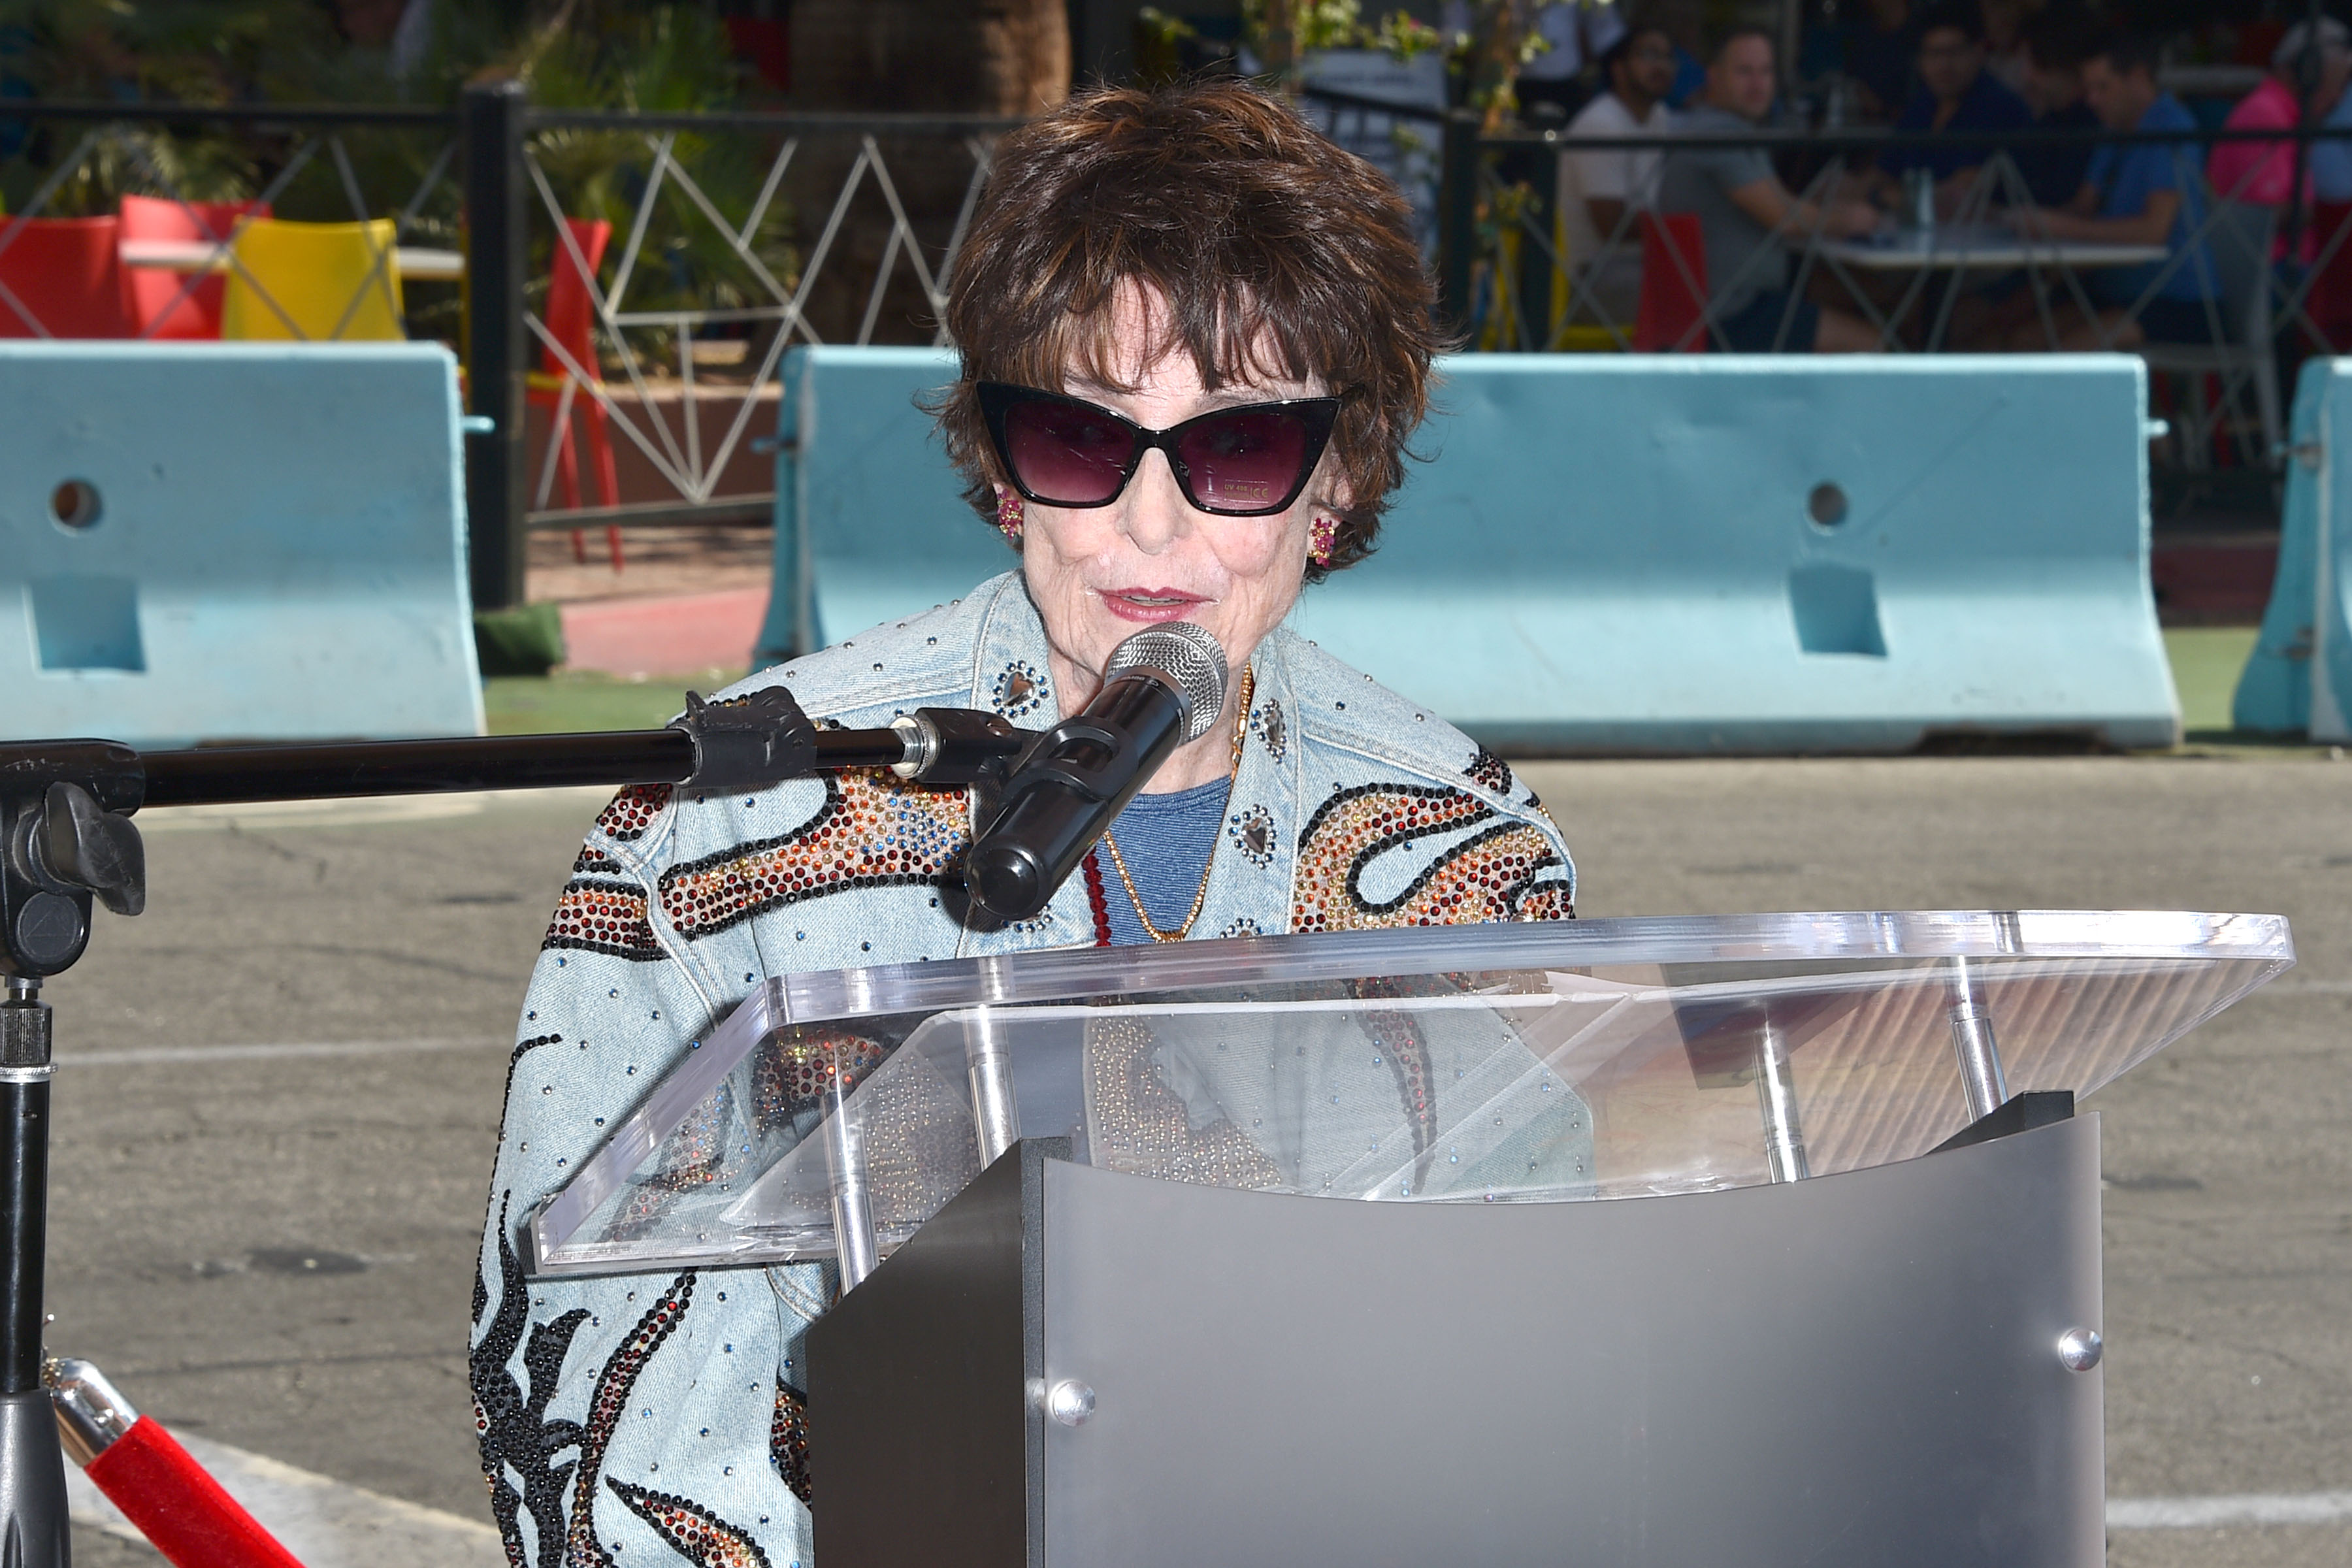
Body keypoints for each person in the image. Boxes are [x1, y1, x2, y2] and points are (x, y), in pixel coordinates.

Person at [470, 80, 1578, 1568]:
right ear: (1001, 469)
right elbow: (603, 1377)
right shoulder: (727, 825)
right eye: (1079, 437)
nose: (1150, 524)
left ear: (1337, 480)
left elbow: (1546, 1349)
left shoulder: (1464, 851)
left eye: (1236, 450)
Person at [1656, 28, 1882, 351]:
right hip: (1729, 314)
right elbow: (1786, 220)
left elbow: (1781, 206)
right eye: (1744, 72)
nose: (1758, 84)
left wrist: (1826, 207)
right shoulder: (1717, 135)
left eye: (1766, 71)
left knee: (1875, 298)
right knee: (1874, 344)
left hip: (1737, 302)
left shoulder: (1732, 130)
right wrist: (1849, 220)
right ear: (1714, 77)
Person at [1997, 31, 2220, 348]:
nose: (2092, 100)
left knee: (2066, 357)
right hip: (2113, 289)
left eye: (2103, 87)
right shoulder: (2114, 129)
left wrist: (2060, 226)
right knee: (2022, 341)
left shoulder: (2171, 128)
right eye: (2088, 89)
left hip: (2174, 297)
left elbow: (2153, 231)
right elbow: (2085, 205)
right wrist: (2022, 219)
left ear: (2139, 78)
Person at [1560, 22, 1679, 323]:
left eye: (1667, 57)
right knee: (1691, 287)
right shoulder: (1601, 124)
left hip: (1643, 262)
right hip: (1587, 277)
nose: (1660, 66)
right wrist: (1683, 223)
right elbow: (1611, 226)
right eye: (1649, 55)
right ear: (1619, 69)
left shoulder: (1661, 117)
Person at [1873, 0, 2033, 216]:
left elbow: (1957, 197)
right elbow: (1882, 174)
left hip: (1984, 241)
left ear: (1979, 51)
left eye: (1954, 52)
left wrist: (1889, 197)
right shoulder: (1922, 104)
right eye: (1933, 54)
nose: (1944, 65)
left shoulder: (1999, 106)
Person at [2206, 18, 2351, 210]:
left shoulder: (2288, 118)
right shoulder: (2263, 115)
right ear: (2306, 73)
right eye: (2336, 86)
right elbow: (2264, 212)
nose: (2338, 99)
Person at [2012, 3, 2101, 206]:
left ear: (2061, 62)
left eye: (2033, 63)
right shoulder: (2045, 125)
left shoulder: (2099, 128)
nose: (2026, 76)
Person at [1840, 0, 1923, 121]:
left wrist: (1883, 110)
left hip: (1914, 133)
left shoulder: (1924, 39)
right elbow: (1852, 84)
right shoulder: (1863, 40)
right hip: (1864, 129)